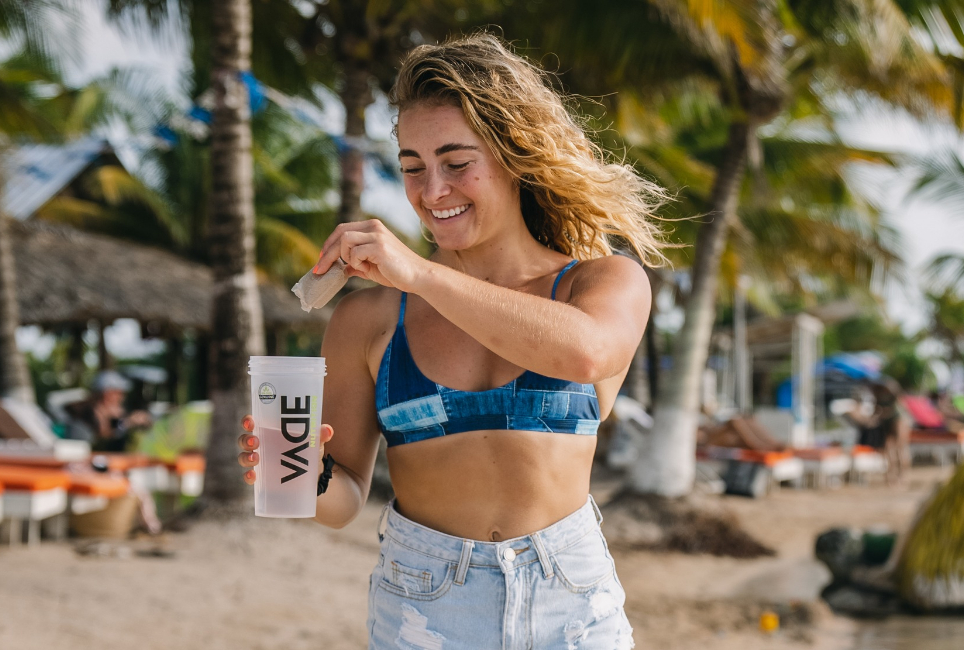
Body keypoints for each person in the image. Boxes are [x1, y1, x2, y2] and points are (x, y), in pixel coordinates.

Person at [238, 33, 666, 649]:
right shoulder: (370, 320)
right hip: (424, 611)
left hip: (573, 606)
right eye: (412, 168)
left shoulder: (601, 280)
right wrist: (297, 474)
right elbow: (347, 497)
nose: (431, 190)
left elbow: (586, 352)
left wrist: (420, 273)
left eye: (456, 163)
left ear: (515, 155)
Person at [65, 370, 151, 452]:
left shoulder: (115, 420)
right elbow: (95, 449)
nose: (121, 398)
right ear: (106, 395)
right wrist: (125, 423)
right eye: (118, 393)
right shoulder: (81, 423)